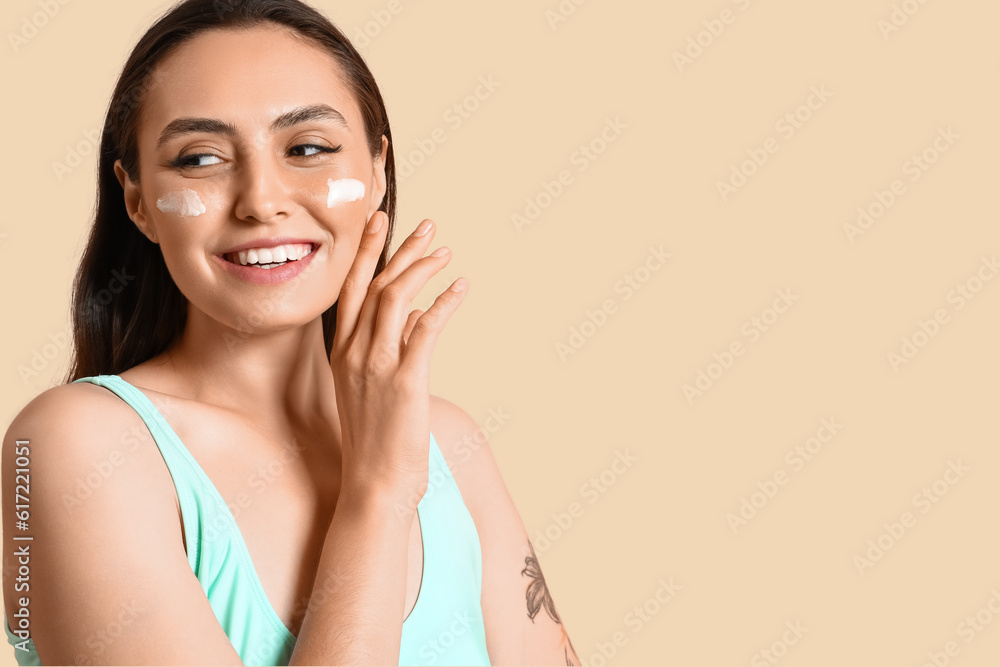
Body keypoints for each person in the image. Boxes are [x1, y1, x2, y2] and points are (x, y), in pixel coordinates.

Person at [1, 0, 580, 664]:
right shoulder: (73, 445)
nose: (261, 200)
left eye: (307, 148)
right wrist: (379, 490)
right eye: (199, 158)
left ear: (378, 173)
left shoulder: (448, 439)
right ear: (137, 200)